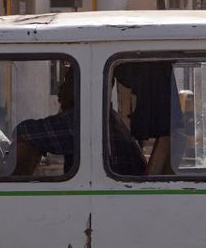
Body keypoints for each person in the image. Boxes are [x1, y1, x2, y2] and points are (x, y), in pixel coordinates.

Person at [13, 70, 147, 177]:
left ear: (81, 86)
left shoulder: (83, 118)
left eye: (67, 82)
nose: (61, 88)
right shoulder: (110, 118)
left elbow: (26, 131)